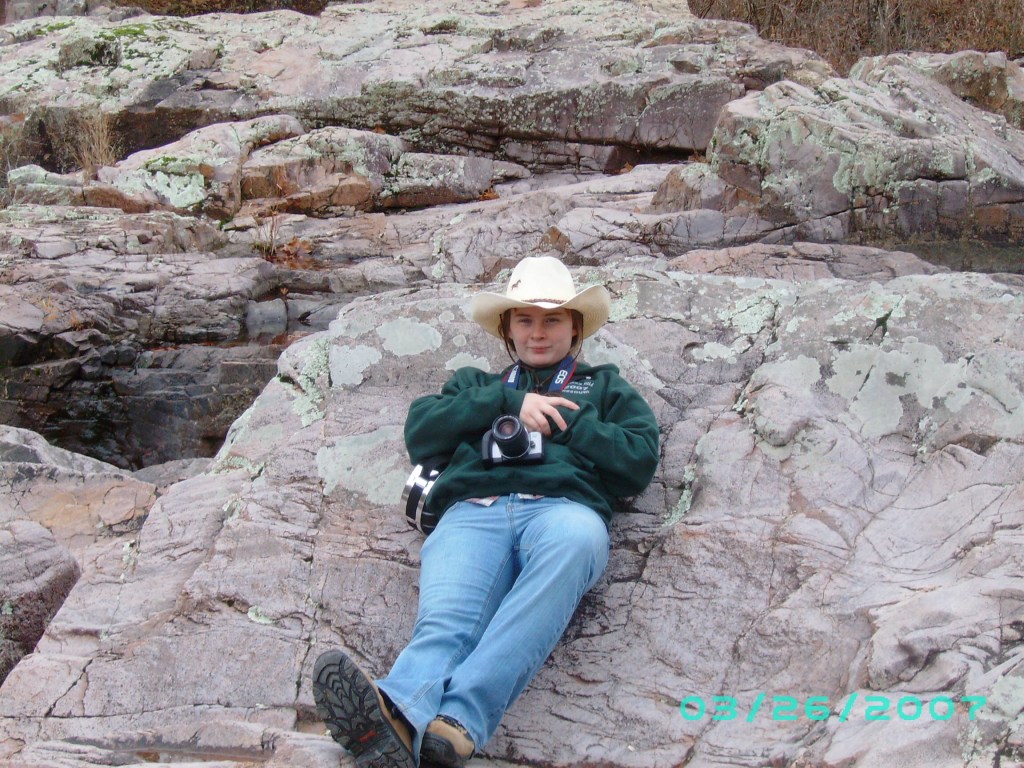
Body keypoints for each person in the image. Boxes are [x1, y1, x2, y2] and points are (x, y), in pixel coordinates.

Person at [312, 256, 660, 768]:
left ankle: (455, 723)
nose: (537, 332)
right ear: (507, 329)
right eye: (525, 319)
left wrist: (569, 423)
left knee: (576, 544)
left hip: (564, 511)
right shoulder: (474, 385)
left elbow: (639, 461)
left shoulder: (604, 386)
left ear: (575, 327)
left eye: (552, 320)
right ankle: (399, 715)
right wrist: (505, 403)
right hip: (473, 509)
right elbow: (421, 432)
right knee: (446, 621)